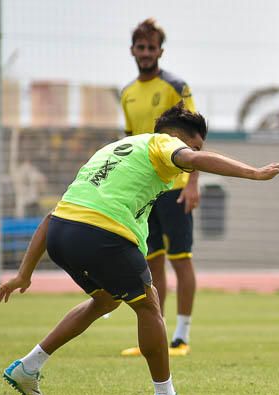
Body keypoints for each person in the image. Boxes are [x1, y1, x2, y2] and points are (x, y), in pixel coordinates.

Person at [0, 105, 279, 395]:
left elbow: (52, 215)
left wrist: (23, 275)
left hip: (61, 233)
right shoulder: (162, 143)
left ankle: (28, 366)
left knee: (105, 300)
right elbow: (191, 159)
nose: (191, 161)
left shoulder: (111, 151)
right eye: (195, 145)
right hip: (102, 234)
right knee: (149, 306)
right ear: (179, 137)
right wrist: (255, 173)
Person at [120, 19, 199, 358]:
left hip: (176, 186)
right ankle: (159, 332)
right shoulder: (127, 93)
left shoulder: (176, 86)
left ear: (160, 51)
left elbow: (195, 137)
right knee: (152, 264)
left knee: (181, 260)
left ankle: (181, 336)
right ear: (133, 51)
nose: (147, 53)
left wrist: (194, 181)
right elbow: (128, 142)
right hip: (144, 192)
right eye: (142, 47)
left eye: (152, 48)